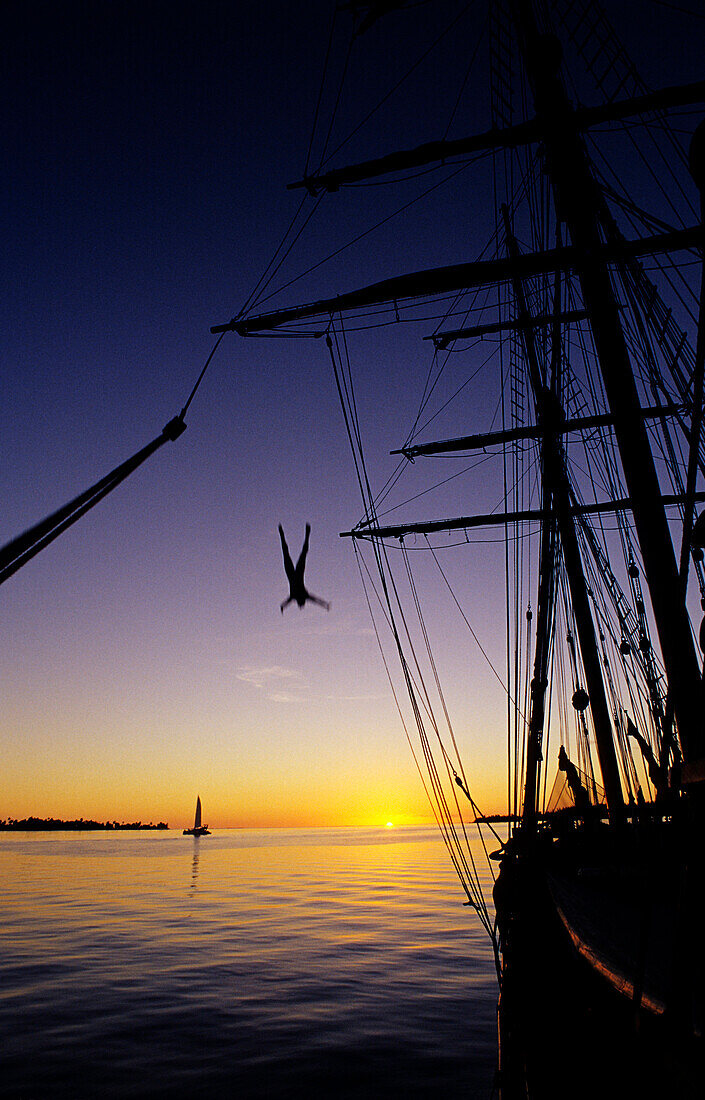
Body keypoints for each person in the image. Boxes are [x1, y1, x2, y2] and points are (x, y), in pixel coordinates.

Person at [279, 523, 330, 613]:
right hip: (297, 573)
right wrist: (325, 605)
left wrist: (283, 606)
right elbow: (316, 600)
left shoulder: (296, 596)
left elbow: (315, 600)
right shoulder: (299, 596)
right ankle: (305, 534)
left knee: (292, 553)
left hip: (293, 573)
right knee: (296, 553)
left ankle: (284, 534)